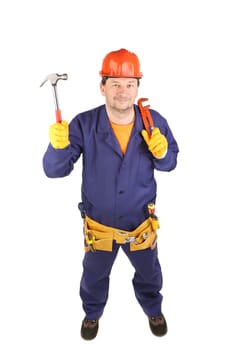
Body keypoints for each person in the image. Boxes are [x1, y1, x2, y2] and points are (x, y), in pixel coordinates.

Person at [42, 48, 179, 340]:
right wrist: (57, 147)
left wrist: (164, 152)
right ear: (102, 87)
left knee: (150, 274)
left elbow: (170, 163)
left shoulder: (153, 122)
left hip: (140, 226)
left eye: (130, 84)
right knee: (93, 277)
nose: (123, 91)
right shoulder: (84, 124)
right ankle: (92, 314)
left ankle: (153, 308)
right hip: (99, 227)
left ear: (138, 87)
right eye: (115, 83)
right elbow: (55, 171)